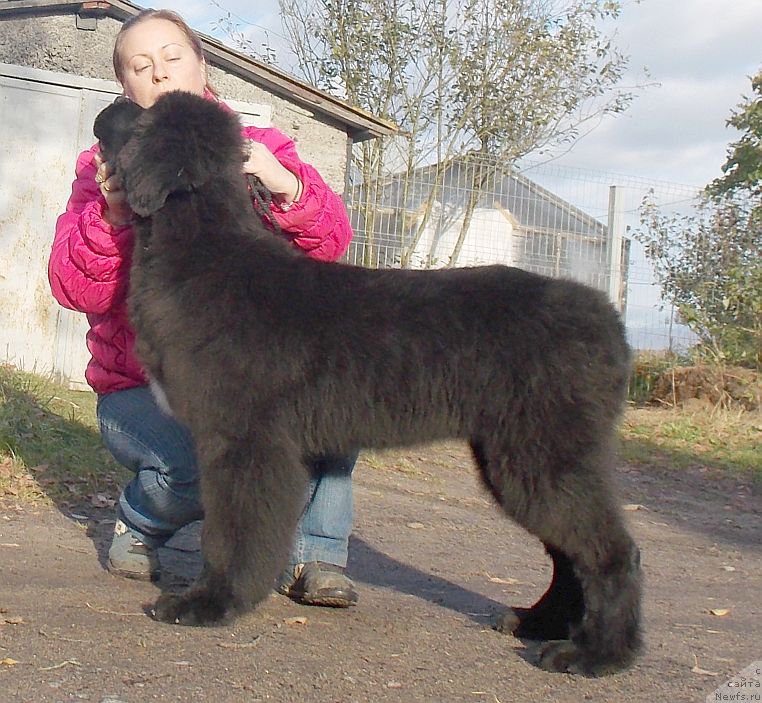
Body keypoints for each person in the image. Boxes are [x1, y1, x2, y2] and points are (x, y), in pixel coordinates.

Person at [48, 8, 358, 608]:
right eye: (141, 66)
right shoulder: (102, 167)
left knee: (323, 408)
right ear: (125, 86)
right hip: (141, 384)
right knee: (196, 463)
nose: (160, 73)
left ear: (202, 65)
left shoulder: (259, 149)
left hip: (249, 366)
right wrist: (111, 218)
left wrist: (286, 186)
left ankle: (315, 557)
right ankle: (140, 522)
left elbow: (331, 242)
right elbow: (74, 289)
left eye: (173, 58)